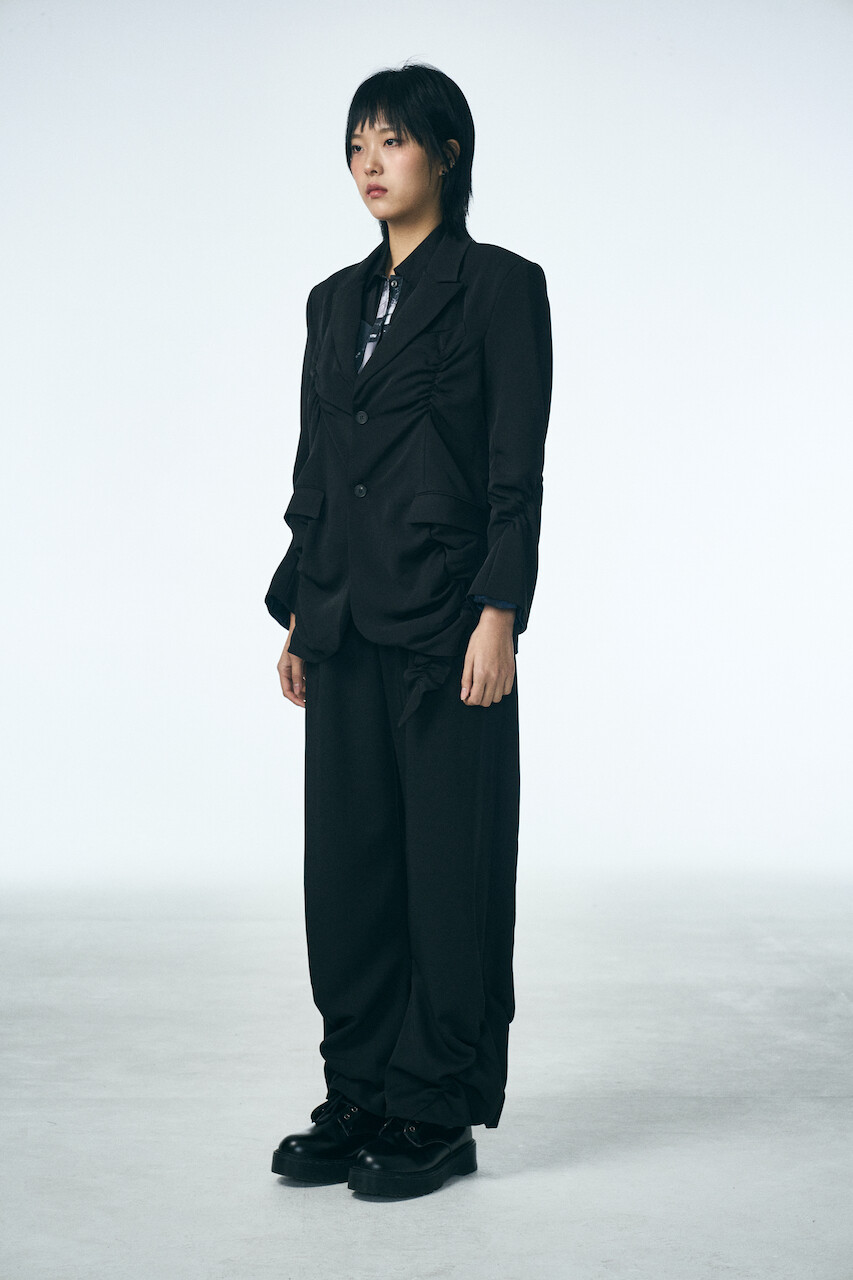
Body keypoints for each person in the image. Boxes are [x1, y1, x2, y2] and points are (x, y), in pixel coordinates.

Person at [265, 61, 553, 1198]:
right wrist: (300, 605)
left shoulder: (500, 288)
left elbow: (514, 467)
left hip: (447, 623)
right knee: (348, 874)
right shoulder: (331, 302)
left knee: (446, 870)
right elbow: (316, 468)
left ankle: (433, 1106)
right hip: (341, 613)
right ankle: (359, 1090)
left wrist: (500, 612)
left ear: (446, 153)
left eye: (390, 140)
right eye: (356, 145)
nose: (369, 164)